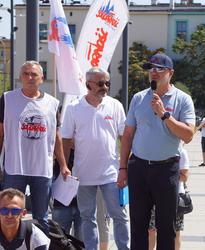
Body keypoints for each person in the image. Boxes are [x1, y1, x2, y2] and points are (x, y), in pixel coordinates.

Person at [118, 52, 195, 250]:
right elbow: (127, 135)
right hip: (139, 167)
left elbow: (188, 135)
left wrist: (164, 114)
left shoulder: (183, 99)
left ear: (170, 73)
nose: (153, 73)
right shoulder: (138, 98)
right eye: (150, 69)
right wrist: (123, 168)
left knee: (166, 224)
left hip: (166, 168)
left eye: (159, 69)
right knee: (138, 223)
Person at [62, 67, 129, 250]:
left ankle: (124, 248)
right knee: (87, 217)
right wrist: (64, 166)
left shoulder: (115, 105)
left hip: (112, 174)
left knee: (119, 216)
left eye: (107, 83)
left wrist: (125, 166)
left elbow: (125, 138)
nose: (105, 87)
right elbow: (66, 139)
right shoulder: (74, 108)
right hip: (83, 175)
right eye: (100, 83)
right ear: (87, 84)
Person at [0, 61, 70, 232]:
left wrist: (63, 165)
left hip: (42, 169)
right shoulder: (7, 99)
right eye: (26, 74)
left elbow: (56, 136)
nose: (29, 77)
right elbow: (0, 133)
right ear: (20, 77)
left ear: (41, 78)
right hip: (14, 167)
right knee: (10, 214)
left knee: (42, 218)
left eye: (34, 74)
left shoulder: (53, 103)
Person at [148, 148, 190, 250]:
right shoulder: (155, 150)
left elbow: (185, 176)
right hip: (154, 195)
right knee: (151, 230)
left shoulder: (182, 152)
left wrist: (168, 173)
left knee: (175, 231)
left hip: (175, 196)